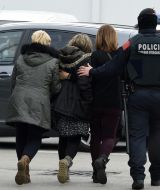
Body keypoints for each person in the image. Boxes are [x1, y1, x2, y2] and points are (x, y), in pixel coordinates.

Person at [78, 8, 160, 190]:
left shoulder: (132, 43)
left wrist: (92, 71)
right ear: (155, 24)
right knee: (158, 136)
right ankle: (157, 175)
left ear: (139, 23)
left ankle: (138, 177)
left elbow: (113, 67)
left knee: (137, 137)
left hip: (137, 97)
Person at [6, 30, 61, 185]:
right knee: (35, 137)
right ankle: (25, 160)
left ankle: (24, 170)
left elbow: (13, 82)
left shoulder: (21, 58)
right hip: (39, 103)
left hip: (19, 100)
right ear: (47, 44)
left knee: (21, 135)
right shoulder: (53, 62)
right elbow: (56, 87)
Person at [52, 34, 93, 184]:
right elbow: (84, 84)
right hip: (78, 105)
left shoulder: (60, 58)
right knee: (75, 137)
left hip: (60, 103)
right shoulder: (86, 60)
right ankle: (67, 161)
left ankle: (64, 167)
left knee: (63, 137)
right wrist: (89, 102)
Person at [89, 24, 122, 184]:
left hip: (96, 101)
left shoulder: (94, 56)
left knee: (95, 136)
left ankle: (96, 173)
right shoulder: (119, 55)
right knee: (109, 135)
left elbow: (89, 78)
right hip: (114, 101)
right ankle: (102, 159)